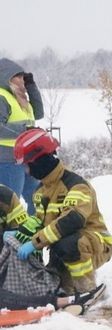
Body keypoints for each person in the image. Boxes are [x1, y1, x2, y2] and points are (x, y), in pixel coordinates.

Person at [12, 128, 112, 294]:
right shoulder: (40, 191)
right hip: (61, 246)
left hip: (94, 243)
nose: (26, 171)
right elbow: (39, 220)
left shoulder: (76, 185)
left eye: (27, 165)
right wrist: (19, 234)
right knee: (57, 283)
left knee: (69, 243)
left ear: (39, 161)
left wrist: (35, 243)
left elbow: (72, 221)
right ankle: (66, 286)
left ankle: (86, 288)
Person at [0, 58, 43, 214]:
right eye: (18, 77)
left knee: (37, 200)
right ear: (6, 77)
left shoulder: (19, 98)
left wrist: (32, 87)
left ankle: (35, 232)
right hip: (8, 161)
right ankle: (5, 237)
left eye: (23, 77)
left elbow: (38, 113)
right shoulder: (1, 96)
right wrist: (25, 130)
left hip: (27, 159)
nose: (22, 81)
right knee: (10, 206)